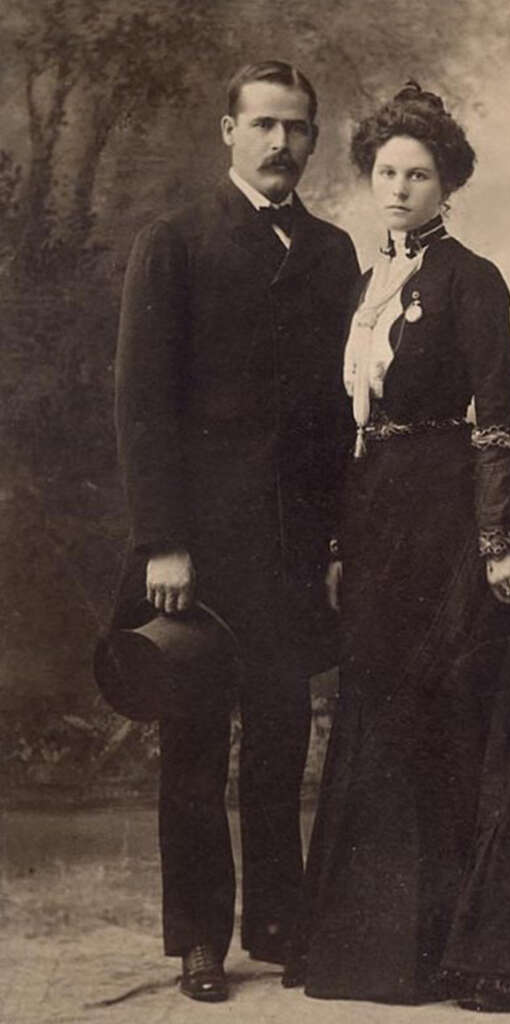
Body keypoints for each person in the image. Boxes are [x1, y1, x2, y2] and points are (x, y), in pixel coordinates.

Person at [284, 83, 510, 1013]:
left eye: (419, 174)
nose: (399, 188)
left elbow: (501, 415)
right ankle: (379, 949)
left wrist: (498, 539)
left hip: (448, 515)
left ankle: (475, 941)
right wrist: (334, 535)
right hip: (376, 519)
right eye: (386, 173)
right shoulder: (366, 285)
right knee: (382, 704)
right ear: (367, 179)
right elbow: (348, 425)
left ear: (449, 186)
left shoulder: (471, 279)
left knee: (455, 709)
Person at [111, 60, 359, 1002]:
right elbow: (142, 405)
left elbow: (338, 417)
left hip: (294, 550)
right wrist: (162, 540)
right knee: (195, 745)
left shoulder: (331, 252)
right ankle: (199, 940)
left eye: (296, 128)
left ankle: (280, 921)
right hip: (201, 550)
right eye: (262, 124)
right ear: (227, 130)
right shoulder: (172, 243)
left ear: (313, 139)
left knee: (282, 737)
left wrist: (337, 543)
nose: (279, 144)